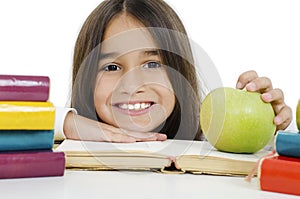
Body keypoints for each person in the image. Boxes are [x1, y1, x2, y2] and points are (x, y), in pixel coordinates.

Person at [54, 0, 292, 143]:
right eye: (112, 67)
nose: (133, 85)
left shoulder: (209, 147)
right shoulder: (62, 145)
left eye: (152, 64)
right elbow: (16, 117)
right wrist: (67, 124)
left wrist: (272, 133)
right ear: (85, 80)